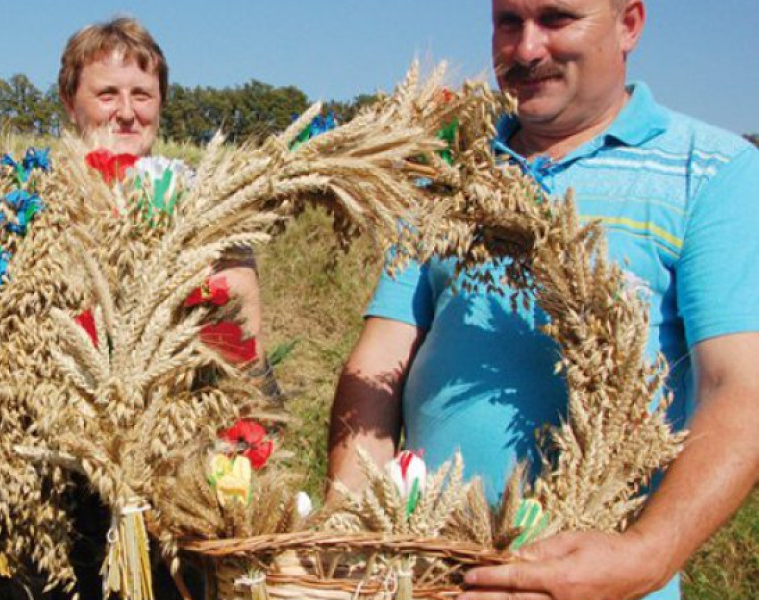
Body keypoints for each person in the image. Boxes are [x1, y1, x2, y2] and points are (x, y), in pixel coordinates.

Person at [327, 1, 759, 599]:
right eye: (509, 22)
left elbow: (739, 389)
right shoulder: (446, 173)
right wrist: (353, 523)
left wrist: (645, 556)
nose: (526, 50)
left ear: (629, 24)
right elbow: (380, 359)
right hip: (423, 579)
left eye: (557, 19)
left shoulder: (712, 172)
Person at [54, 17, 268, 600]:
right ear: (71, 104)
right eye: (106, 93)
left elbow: (243, 345)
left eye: (141, 95)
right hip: (69, 477)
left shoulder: (207, 199)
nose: (125, 112)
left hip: (182, 474)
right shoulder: (39, 201)